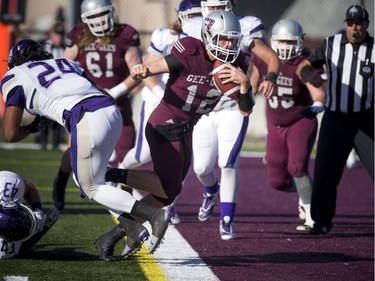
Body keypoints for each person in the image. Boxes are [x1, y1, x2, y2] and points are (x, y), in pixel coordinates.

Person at [0, 39, 171, 260]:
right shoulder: (65, 63)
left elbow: (10, 133)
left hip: (84, 118)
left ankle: (153, 216)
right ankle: (130, 229)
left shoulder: (14, 76)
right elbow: (99, 91)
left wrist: (34, 125)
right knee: (92, 179)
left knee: (90, 186)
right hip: (111, 111)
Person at [104, 9, 254, 254]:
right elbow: (163, 65)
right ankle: (110, 175)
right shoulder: (189, 49)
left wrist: (245, 83)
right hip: (165, 121)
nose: (228, 45)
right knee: (168, 186)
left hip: (187, 127)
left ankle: (117, 233)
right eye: (224, 38)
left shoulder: (236, 65)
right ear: (208, 35)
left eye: (233, 40)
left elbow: (246, 110)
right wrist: (144, 69)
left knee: (167, 195)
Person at [191, 0, 280, 240]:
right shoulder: (193, 28)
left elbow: (270, 58)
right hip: (205, 109)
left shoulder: (245, 27)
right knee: (201, 167)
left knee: (228, 164)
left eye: (220, 4)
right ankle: (211, 190)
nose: (215, 10)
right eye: (211, 5)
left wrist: (268, 77)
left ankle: (226, 220)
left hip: (233, 108)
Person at [119, 0, 203, 224]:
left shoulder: (208, 38)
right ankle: (119, 171)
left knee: (178, 161)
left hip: (184, 105)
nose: (196, 18)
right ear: (181, 16)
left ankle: (168, 205)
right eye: (192, 14)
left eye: (200, 14)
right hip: (160, 99)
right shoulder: (166, 36)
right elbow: (148, 70)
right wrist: (160, 94)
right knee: (142, 155)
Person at [52, 0, 142, 211]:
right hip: (86, 103)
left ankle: (125, 199)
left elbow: (137, 70)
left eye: (103, 15)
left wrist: (115, 92)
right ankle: (61, 181)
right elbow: (64, 66)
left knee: (125, 153)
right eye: (93, 17)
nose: (100, 21)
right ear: (85, 20)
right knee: (79, 148)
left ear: (112, 13)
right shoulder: (79, 35)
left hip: (117, 102)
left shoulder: (125, 34)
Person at [296, 4, 374, 235]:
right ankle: (321, 222)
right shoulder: (331, 45)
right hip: (335, 118)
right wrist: (313, 78)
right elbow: (304, 68)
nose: (355, 28)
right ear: (345, 25)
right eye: (350, 24)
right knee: (325, 173)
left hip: (366, 119)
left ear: (366, 25)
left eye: (359, 24)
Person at [251, 18, 325, 231]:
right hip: (275, 126)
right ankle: (305, 193)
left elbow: (318, 93)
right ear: (273, 41)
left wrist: (317, 107)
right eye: (281, 42)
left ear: (300, 43)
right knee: (277, 181)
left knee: (297, 167)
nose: (285, 47)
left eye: (290, 42)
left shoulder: (302, 65)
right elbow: (253, 87)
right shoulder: (264, 61)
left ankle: (312, 217)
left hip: (299, 121)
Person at [0, 170, 59, 259]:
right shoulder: (3, 250)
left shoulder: (8, 182)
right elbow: (22, 247)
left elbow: (29, 186)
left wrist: (38, 210)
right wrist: (47, 225)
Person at [38, 21, 66, 151]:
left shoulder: (66, 48)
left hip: (61, 87)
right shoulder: (44, 48)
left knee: (57, 116)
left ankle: (55, 144)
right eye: (57, 35)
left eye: (61, 35)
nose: (59, 38)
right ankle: (42, 142)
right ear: (51, 35)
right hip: (46, 86)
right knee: (44, 115)